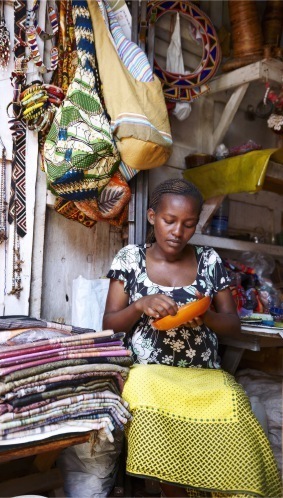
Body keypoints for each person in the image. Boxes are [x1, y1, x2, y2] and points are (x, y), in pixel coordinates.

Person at [103, 178, 281, 497]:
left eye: (187, 224)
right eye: (169, 221)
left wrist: (207, 316)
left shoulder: (208, 260)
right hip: (149, 373)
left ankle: (226, 490)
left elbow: (233, 326)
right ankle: (176, 493)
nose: (177, 232)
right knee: (145, 408)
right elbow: (110, 324)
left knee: (235, 406)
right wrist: (140, 305)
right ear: (152, 217)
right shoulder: (130, 259)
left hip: (203, 375)